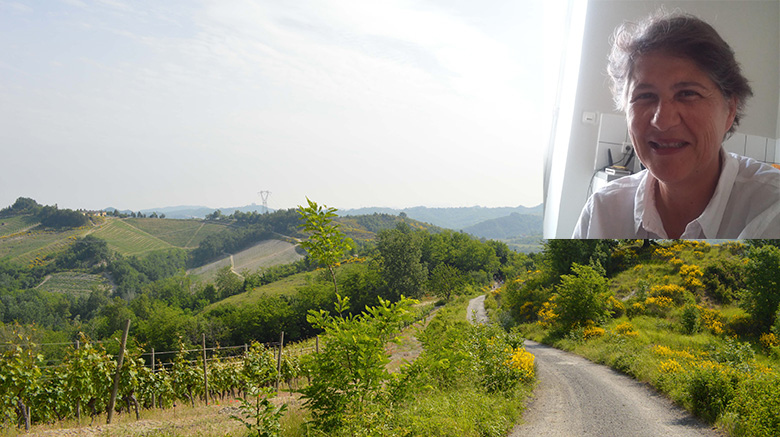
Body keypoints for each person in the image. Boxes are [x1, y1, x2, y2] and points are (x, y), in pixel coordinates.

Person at [573, 10, 780, 239]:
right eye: (645, 96)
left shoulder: (770, 210)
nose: (662, 121)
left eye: (687, 93)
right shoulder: (602, 214)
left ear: (730, 110)